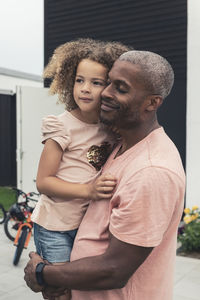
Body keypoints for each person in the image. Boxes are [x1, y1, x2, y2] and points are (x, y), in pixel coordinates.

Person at [24, 50, 185, 300]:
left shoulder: (152, 171)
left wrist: (42, 273)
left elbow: (114, 270)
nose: (106, 92)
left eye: (120, 88)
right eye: (108, 82)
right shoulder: (119, 142)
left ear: (152, 103)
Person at [31, 38, 131, 300]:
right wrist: (88, 190)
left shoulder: (110, 127)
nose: (85, 89)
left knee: (81, 293)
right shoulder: (61, 126)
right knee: (60, 293)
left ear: (110, 87)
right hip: (54, 227)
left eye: (96, 82)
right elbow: (43, 182)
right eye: (79, 80)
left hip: (86, 227)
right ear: (69, 81)